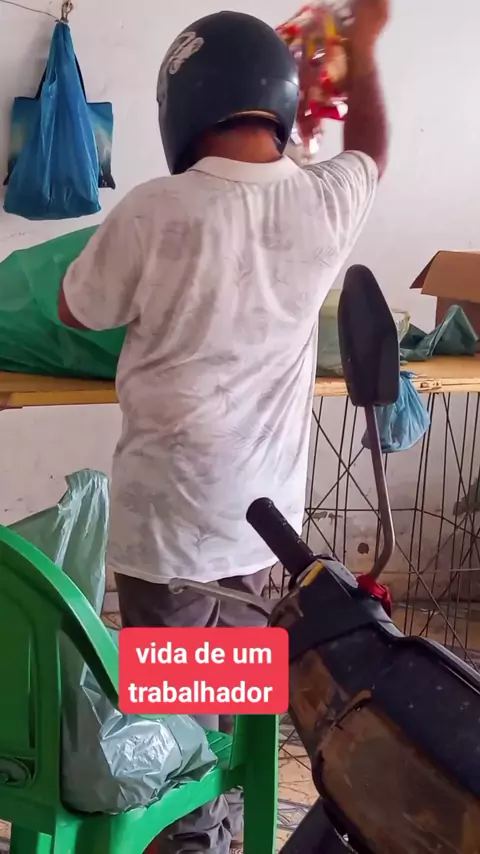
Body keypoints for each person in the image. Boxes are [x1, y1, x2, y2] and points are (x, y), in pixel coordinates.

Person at [59, 1, 389, 851]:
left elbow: (76, 307)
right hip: (261, 533)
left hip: (166, 532)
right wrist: (362, 48)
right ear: (277, 105)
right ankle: (225, 830)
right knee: (231, 716)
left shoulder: (153, 210)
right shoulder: (322, 204)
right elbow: (370, 154)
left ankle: (189, 839)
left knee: (173, 731)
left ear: (182, 108)